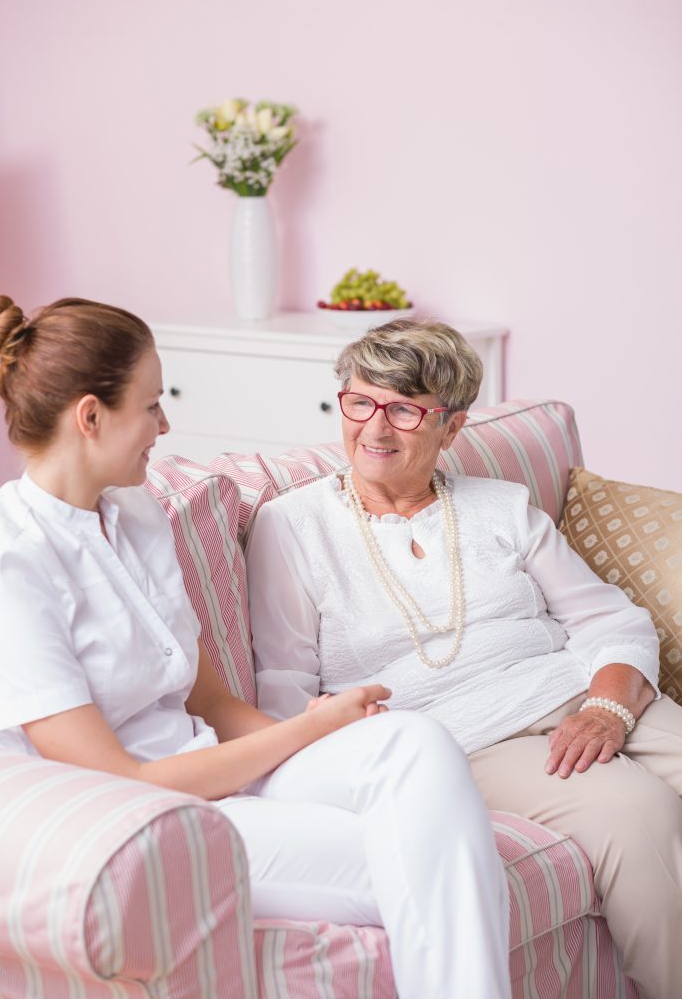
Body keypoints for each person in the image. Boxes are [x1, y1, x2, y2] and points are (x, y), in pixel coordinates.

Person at [0, 296, 511, 999]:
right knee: (443, 865)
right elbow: (122, 780)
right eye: (151, 406)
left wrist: (319, 745)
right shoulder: (13, 562)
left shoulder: (137, 513)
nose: (165, 425)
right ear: (91, 416)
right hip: (153, 820)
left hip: (209, 764)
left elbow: (209, 699)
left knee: (411, 742)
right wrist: (310, 727)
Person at [246, 317, 682, 999]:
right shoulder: (292, 526)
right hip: (462, 737)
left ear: (451, 428)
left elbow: (611, 621)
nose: (374, 428)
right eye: (359, 401)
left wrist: (605, 707)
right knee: (635, 813)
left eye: (405, 411)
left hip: (577, 690)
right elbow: (283, 684)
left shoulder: (501, 506)